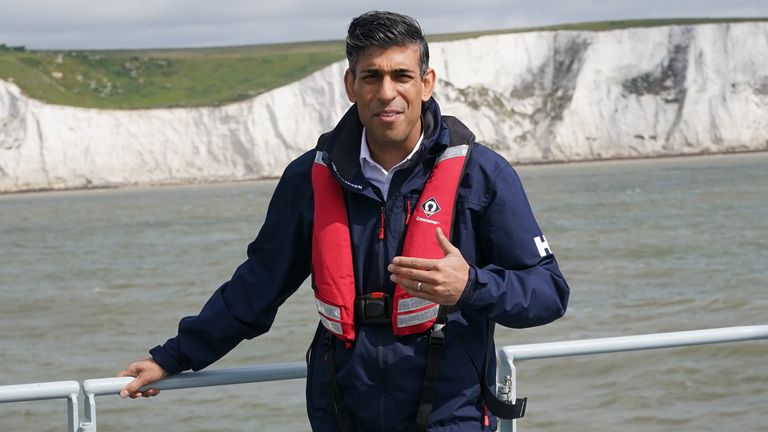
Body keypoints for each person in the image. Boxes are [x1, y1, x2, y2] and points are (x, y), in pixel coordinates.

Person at [118, 10, 569, 431]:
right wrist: (172, 357)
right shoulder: (309, 178)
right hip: (340, 410)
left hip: (452, 413)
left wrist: (470, 285)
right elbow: (256, 287)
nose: (386, 92)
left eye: (402, 76)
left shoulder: (482, 174)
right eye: (371, 76)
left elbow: (548, 293)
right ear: (351, 85)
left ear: (427, 83)